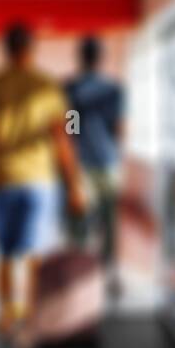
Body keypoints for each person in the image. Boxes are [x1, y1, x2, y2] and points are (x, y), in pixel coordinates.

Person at [0, 21, 85, 341]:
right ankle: (30, 321)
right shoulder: (49, 86)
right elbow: (62, 137)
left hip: (1, 179)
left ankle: (4, 317)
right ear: (32, 49)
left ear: (5, 49)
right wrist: (74, 186)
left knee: (4, 251)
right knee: (34, 255)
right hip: (40, 179)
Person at [63, 34, 126, 297]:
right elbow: (117, 128)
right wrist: (110, 149)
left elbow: (70, 126)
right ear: (100, 58)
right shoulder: (114, 89)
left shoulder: (68, 88)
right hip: (107, 160)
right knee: (109, 220)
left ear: (80, 57)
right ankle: (109, 274)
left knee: (78, 220)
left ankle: (77, 278)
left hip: (79, 162)